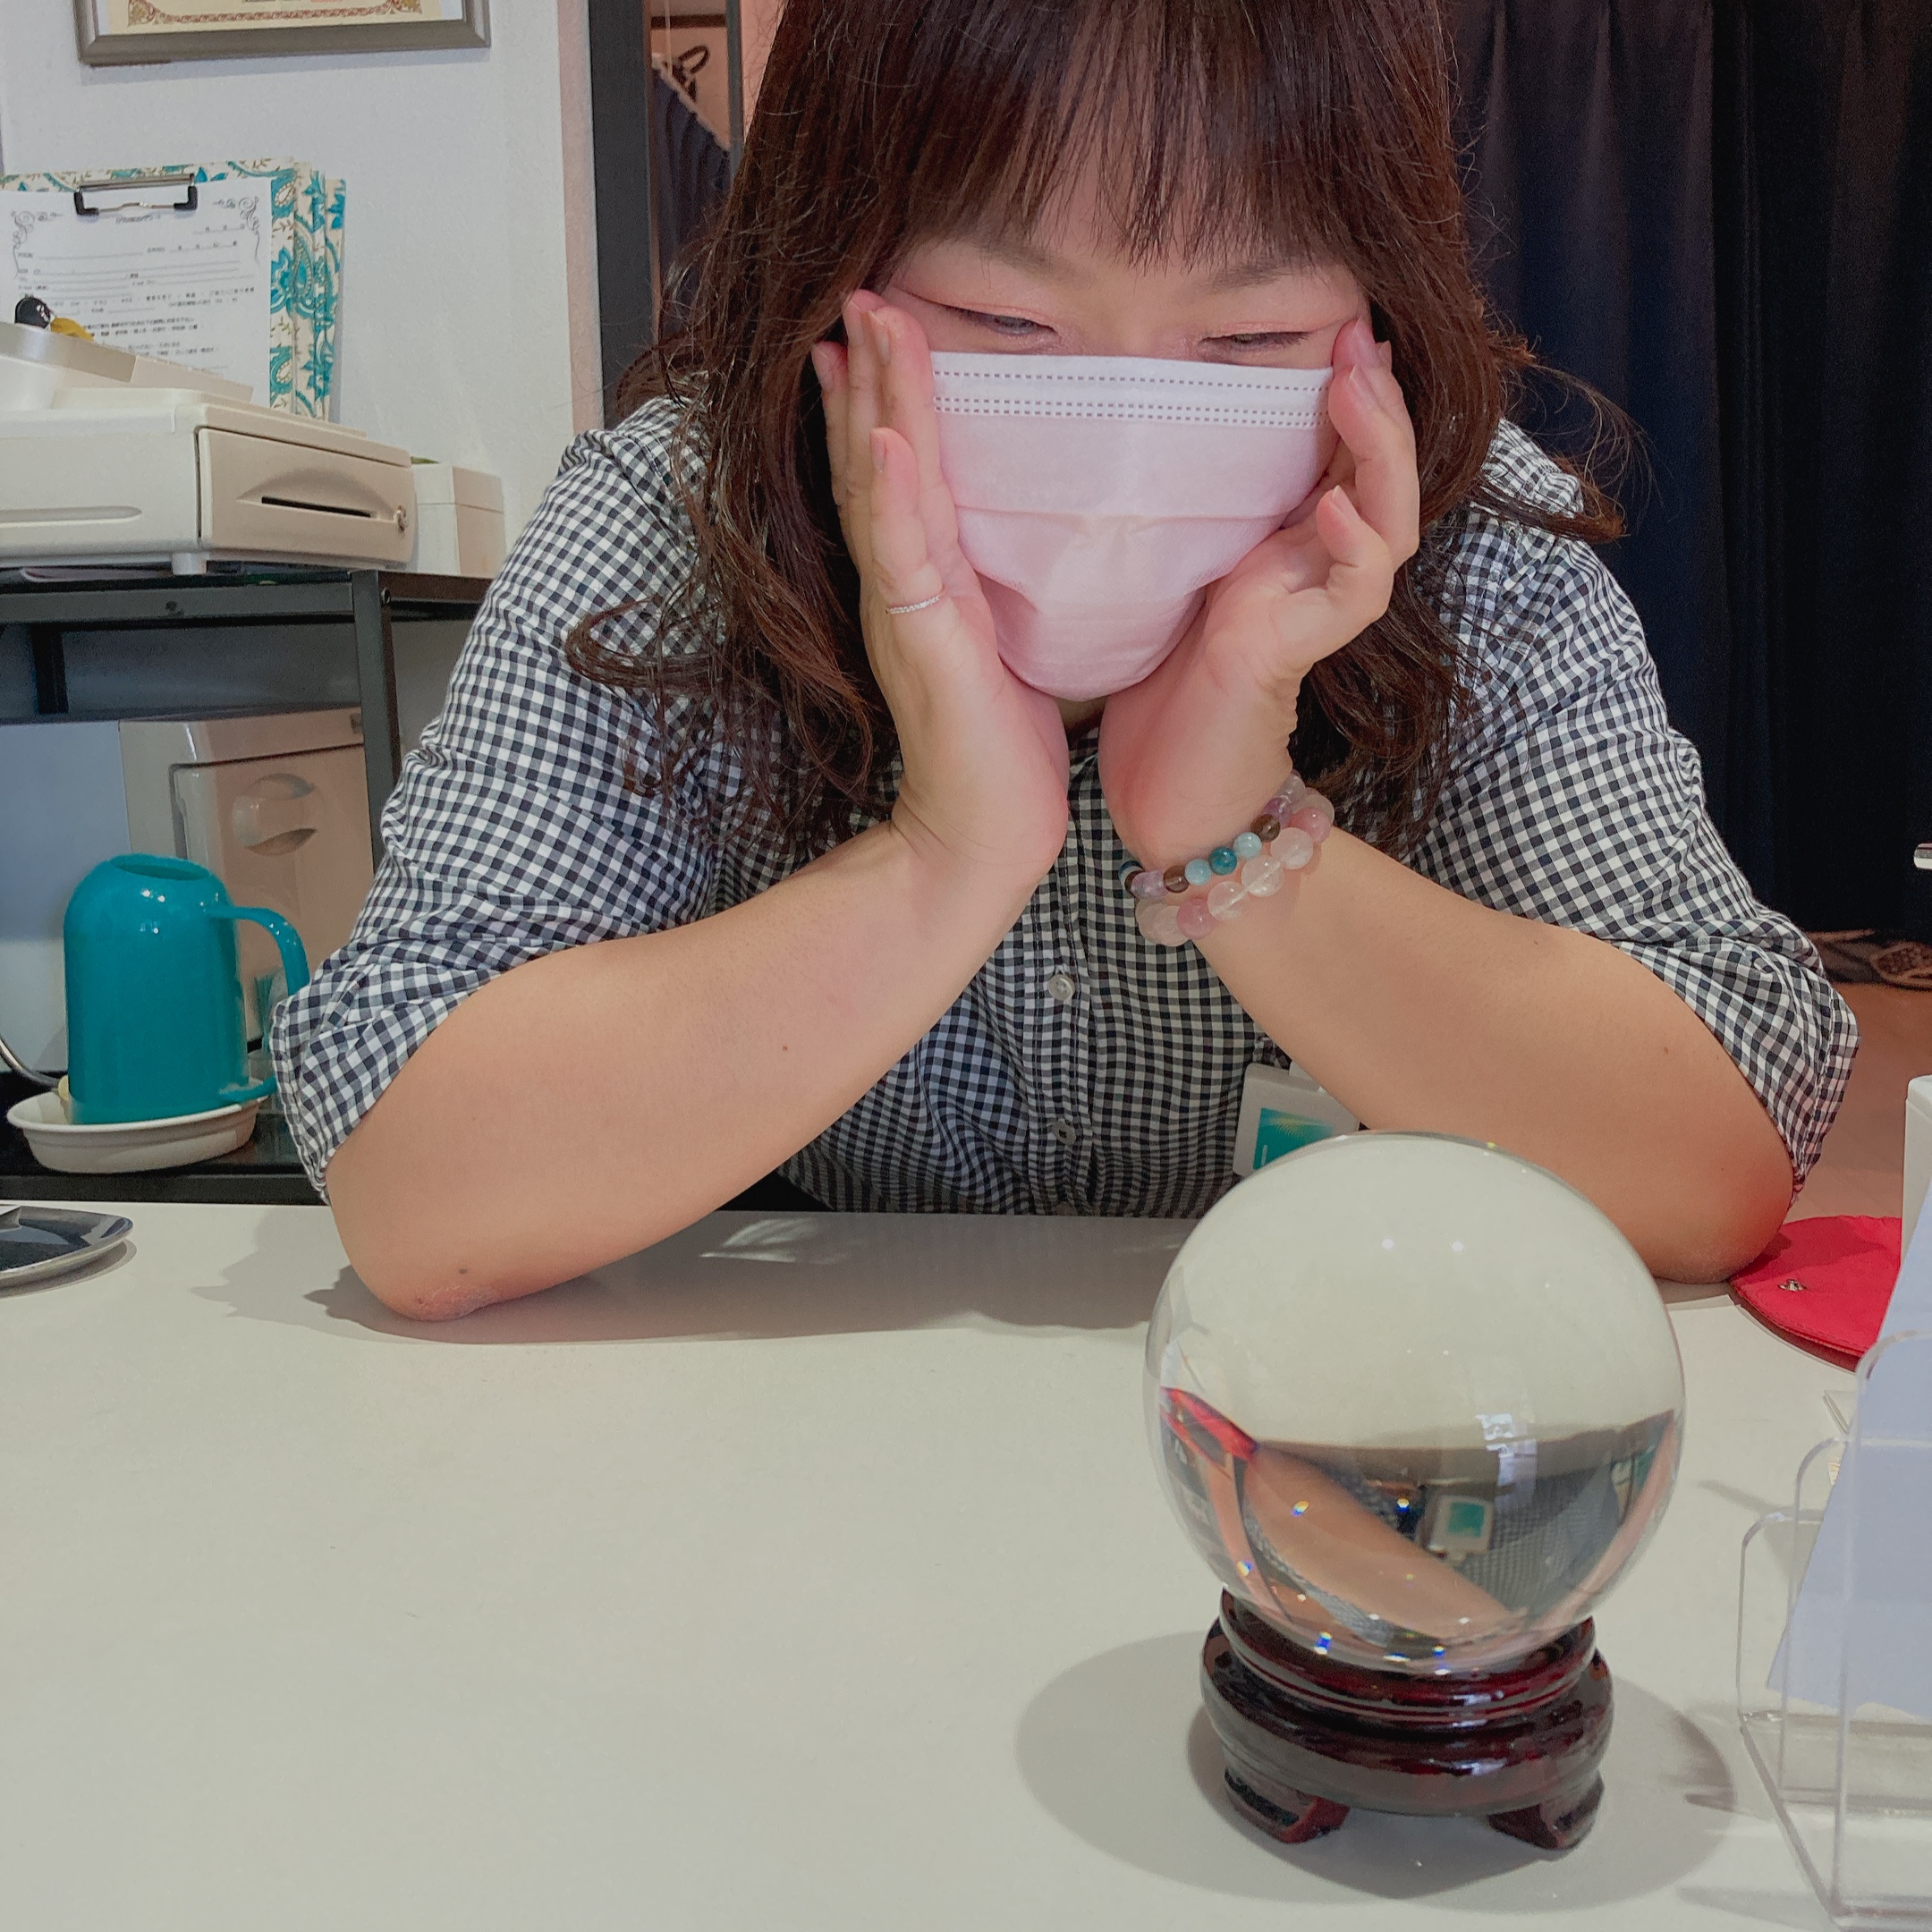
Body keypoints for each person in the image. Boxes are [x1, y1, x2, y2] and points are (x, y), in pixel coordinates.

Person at [275, 0, 1855, 1319]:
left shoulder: (1457, 532)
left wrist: (1237, 828)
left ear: (1378, 318)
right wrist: (947, 850)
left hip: (1324, 1432)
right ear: (826, 275)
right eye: (1005, 319)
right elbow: (415, 1185)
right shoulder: (684, 519)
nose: (1124, 444)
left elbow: (1713, 1155)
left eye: (1247, 341)